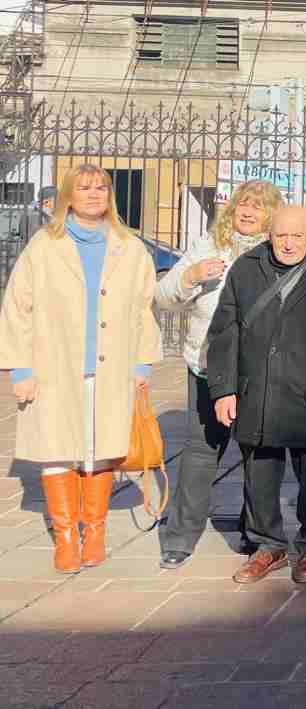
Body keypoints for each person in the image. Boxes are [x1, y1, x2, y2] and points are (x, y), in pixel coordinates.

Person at [0, 164, 162, 573]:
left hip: (114, 369)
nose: (94, 194)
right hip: (53, 368)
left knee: (102, 449)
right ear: (69, 196)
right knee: (56, 448)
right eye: (84, 188)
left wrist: (143, 363)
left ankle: (95, 532)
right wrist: (20, 369)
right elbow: (17, 307)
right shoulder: (44, 245)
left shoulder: (130, 247)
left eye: (101, 187)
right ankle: (66, 537)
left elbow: (143, 309)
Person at [207, 205, 306, 585]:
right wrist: (224, 389)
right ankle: (268, 546)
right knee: (259, 475)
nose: (289, 244)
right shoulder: (246, 268)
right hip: (258, 393)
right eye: (282, 236)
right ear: (269, 236)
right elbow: (225, 332)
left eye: (297, 236)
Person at [154, 180, 284, 568]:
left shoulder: (278, 251)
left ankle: (256, 535)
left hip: (259, 372)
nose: (248, 212)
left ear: (271, 215)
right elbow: (163, 295)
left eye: (258, 207)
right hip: (208, 366)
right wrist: (191, 276)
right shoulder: (209, 246)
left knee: (258, 454)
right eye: (244, 204)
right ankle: (180, 536)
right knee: (201, 452)